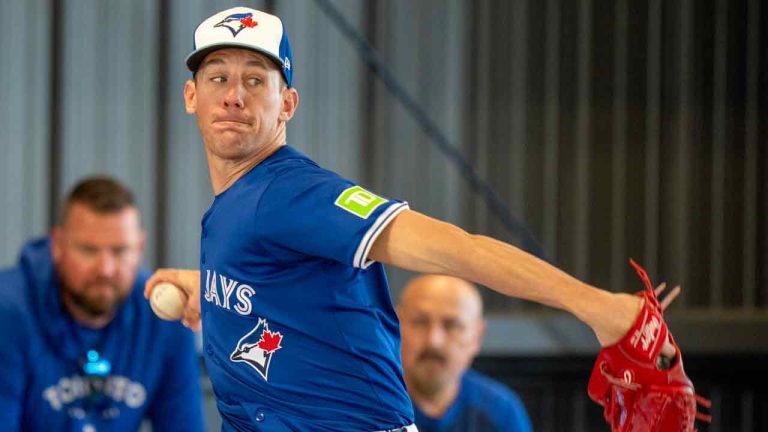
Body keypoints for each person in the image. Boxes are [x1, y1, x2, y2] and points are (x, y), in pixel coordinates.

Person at [145, 6, 677, 431]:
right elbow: (283, 281)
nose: (234, 95)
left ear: (288, 103)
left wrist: (600, 307)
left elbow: (454, 247)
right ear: (192, 96)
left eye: (256, 80)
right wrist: (209, 289)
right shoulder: (236, 206)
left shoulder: (291, 191)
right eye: (218, 77)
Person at [0, 177, 205, 431]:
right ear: (58, 246)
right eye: (88, 250)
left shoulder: (165, 317)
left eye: (120, 251)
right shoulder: (8, 311)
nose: (105, 269)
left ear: (139, 247)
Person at [398, 275, 532, 432]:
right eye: (420, 322)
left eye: (451, 326)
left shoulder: (501, 412)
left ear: (477, 336)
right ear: (394, 326)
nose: (434, 341)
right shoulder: (366, 407)